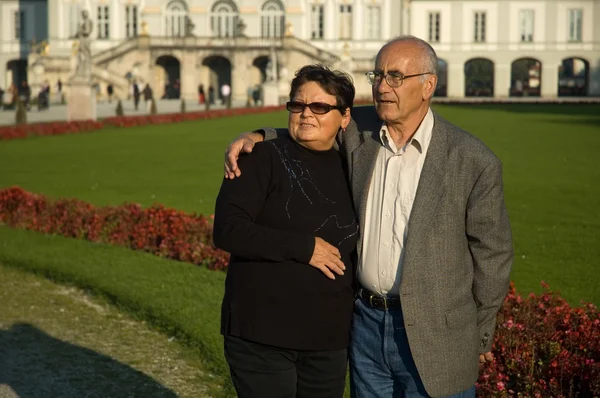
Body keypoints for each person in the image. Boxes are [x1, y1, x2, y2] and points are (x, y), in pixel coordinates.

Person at [223, 35, 513, 398]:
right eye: (377, 75)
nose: (381, 87)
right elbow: (313, 120)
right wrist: (257, 135)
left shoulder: (472, 160)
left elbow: (493, 254)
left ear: (428, 85)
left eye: (395, 77)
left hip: (436, 333)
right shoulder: (361, 131)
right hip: (365, 327)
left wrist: (481, 330)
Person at [213, 64, 358, 398]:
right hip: (262, 333)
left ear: (345, 117)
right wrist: (304, 248)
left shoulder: (355, 167)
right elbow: (228, 230)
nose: (306, 114)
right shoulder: (259, 157)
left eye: (320, 107)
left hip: (328, 340)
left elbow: (393, 113)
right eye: (297, 105)